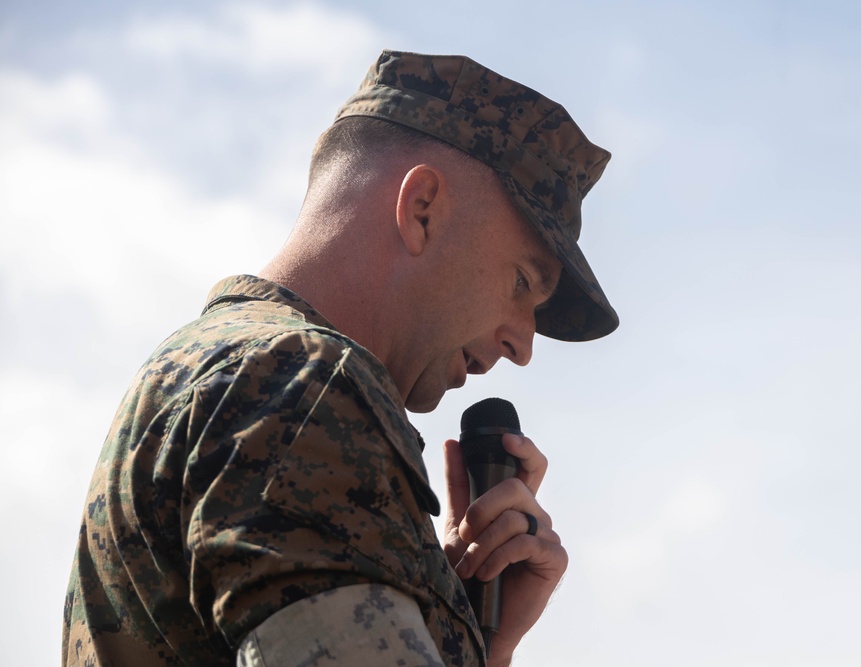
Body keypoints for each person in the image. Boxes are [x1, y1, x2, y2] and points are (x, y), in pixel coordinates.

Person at [63, 50, 618, 667]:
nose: (522, 346)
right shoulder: (302, 383)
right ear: (423, 209)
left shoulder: (216, 365)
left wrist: (480, 642)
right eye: (522, 283)